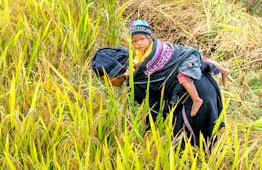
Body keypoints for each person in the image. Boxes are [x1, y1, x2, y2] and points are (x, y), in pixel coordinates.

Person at [91, 22, 228, 148]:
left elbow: (155, 110)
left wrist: (140, 132)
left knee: (189, 148)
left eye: (106, 79)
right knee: (208, 139)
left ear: (114, 74)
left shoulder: (135, 81)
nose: (109, 84)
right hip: (204, 80)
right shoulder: (141, 62)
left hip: (192, 98)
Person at [129, 19, 228, 116]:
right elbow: (138, 60)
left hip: (181, 57)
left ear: (150, 37)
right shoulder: (141, 50)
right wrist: (133, 65)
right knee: (204, 59)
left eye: (142, 39)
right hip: (182, 54)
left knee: (183, 77)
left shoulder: (153, 50)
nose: (139, 43)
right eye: (135, 41)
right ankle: (224, 70)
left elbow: (148, 63)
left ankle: (196, 99)